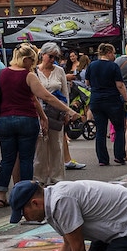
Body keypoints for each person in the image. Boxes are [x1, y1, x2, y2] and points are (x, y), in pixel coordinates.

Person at [0, 43, 76, 205]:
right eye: (32, 60)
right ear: (25, 59)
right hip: (26, 119)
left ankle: (1, 195)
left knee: (7, 160)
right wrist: (69, 111)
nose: (33, 64)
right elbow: (46, 97)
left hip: (5, 120)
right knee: (26, 159)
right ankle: (26, 194)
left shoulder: (1, 74)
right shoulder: (28, 76)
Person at [85, 43, 127, 167]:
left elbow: (87, 82)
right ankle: (119, 156)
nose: (114, 56)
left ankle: (103, 159)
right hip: (112, 100)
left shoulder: (91, 65)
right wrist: (126, 100)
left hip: (96, 100)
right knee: (119, 128)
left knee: (100, 130)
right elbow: (120, 85)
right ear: (109, 52)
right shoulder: (113, 66)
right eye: (113, 53)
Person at [34, 43, 70, 186]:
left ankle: (57, 178)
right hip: (39, 112)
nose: (52, 60)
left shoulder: (60, 71)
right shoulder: (34, 71)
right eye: (50, 56)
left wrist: (66, 111)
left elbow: (65, 92)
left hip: (56, 113)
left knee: (57, 145)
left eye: (55, 57)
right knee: (40, 147)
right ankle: (39, 178)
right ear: (42, 55)